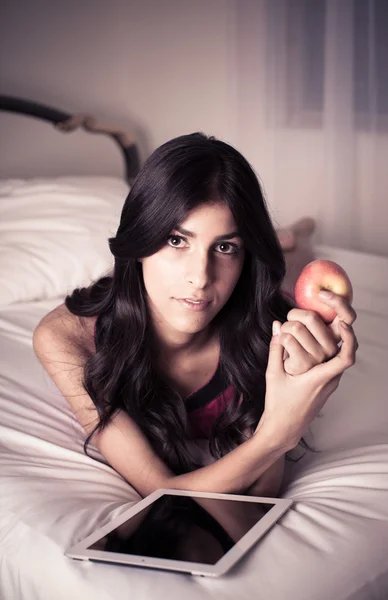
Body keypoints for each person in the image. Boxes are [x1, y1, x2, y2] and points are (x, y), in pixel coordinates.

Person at [33, 133, 358, 499]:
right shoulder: (64, 336)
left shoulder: (272, 332)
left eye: (224, 246)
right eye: (176, 240)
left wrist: (300, 378)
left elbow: (261, 494)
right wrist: (277, 435)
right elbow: (160, 489)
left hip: (267, 292)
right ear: (140, 240)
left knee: (291, 258)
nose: (200, 278)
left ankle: (296, 233)